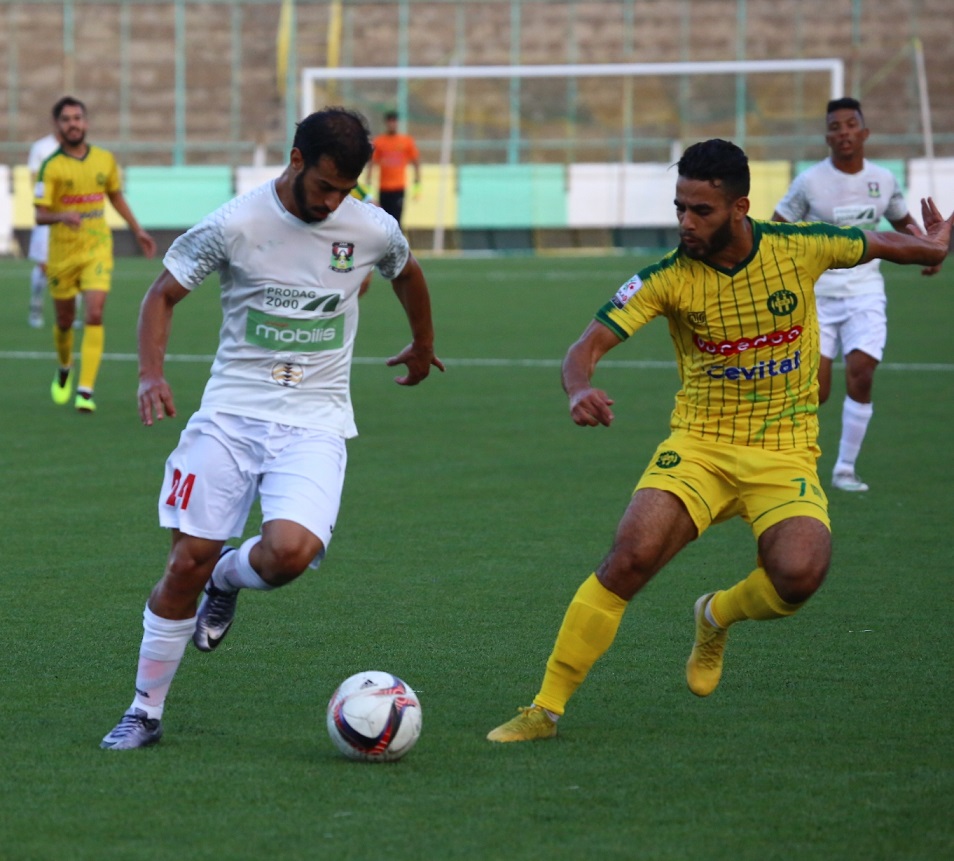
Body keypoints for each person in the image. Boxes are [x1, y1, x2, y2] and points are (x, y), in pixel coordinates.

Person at [486, 139, 952, 743]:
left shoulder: (800, 247)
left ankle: (715, 614)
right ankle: (543, 710)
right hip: (701, 446)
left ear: (740, 207)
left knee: (799, 575)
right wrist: (579, 389)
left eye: (700, 210)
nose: (685, 221)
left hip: (784, 452)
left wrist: (935, 246)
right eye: (680, 206)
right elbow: (586, 346)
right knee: (628, 558)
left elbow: (885, 244)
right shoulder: (667, 279)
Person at [100, 107, 444, 750]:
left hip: (315, 419)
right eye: (324, 186)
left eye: (345, 189)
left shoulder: (370, 227)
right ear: (295, 159)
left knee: (290, 554)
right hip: (231, 413)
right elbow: (161, 296)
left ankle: (229, 579)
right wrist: (151, 374)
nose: (333, 201)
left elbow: (409, 272)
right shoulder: (237, 222)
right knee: (184, 564)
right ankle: (144, 710)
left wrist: (422, 342)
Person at [772, 97, 941, 492]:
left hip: (865, 293)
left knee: (862, 374)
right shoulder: (809, 182)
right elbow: (775, 229)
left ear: (864, 133)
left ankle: (844, 468)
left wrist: (927, 249)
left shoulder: (883, 179)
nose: (843, 132)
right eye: (835, 126)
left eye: (851, 125)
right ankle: (793, 461)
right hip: (815, 298)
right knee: (817, 390)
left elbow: (902, 222)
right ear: (827, 136)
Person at [34, 96, 157, 413]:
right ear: (58, 127)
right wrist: (61, 216)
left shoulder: (104, 160)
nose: (73, 124)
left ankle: (85, 391)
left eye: (77, 118)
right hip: (62, 254)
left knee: (94, 313)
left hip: (97, 250)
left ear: (86, 123)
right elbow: (39, 214)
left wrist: (137, 229)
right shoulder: (51, 167)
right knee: (64, 320)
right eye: (66, 119)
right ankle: (65, 368)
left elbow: (115, 195)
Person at [26, 130, 60, 328]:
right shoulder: (41, 147)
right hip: (48, 214)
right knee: (44, 265)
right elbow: (34, 177)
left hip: (71, 214)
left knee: (74, 265)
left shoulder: (77, 148)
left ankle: (71, 315)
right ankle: (36, 304)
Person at [367, 110, 420, 229]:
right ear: (386, 123)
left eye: (394, 121)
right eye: (389, 121)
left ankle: (396, 246)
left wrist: (417, 182)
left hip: (398, 187)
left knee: (396, 220)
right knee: (383, 219)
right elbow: (373, 162)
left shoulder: (406, 141)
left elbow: (415, 161)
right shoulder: (380, 141)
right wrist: (368, 181)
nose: (392, 124)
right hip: (384, 187)